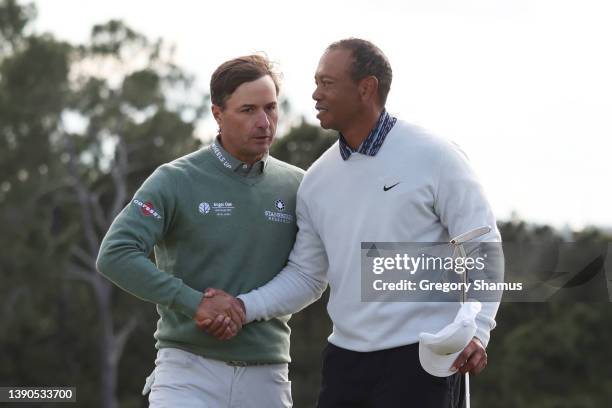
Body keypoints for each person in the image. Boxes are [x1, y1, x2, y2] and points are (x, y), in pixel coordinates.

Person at [203, 38, 503, 407]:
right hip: (345, 364)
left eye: (327, 83)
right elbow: (306, 275)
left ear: (366, 88)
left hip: (424, 361)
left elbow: (482, 246)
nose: (315, 94)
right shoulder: (317, 180)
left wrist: (480, 330)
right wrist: (242, 307)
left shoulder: (436, 156)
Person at [96, 54, 303, 408]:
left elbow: (313, 274)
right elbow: (116, 254)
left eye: (271, 108)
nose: (264, 122)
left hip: (267, 377)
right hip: (187, 373)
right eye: (248, 109)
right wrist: (195, 305)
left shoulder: (299, 185)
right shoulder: (174, 180)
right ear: (217, 114)